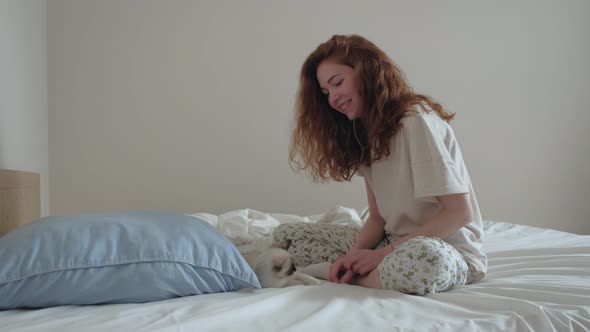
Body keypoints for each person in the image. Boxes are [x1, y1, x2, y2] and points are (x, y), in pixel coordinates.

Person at [273, 34, 487, 295]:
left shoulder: (414, 120)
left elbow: (458, 213)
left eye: (338, 83)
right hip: (393, 243)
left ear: (367, 72)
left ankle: (352, 278)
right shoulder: (368, 134)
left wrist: (382, 255)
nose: (332, 99)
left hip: (444, 248)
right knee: (290, 237)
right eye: (326, 92)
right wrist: (353, 257)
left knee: (424, 262)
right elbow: (377, 218)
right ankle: (357, 272)